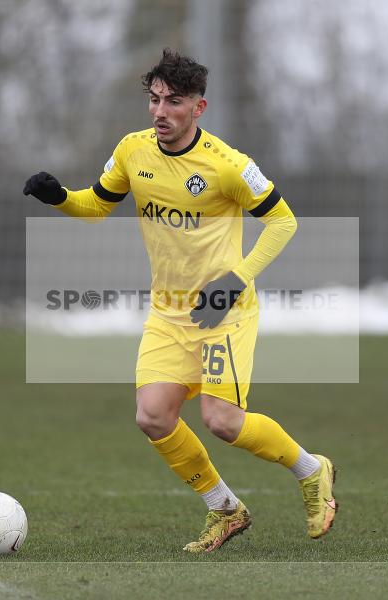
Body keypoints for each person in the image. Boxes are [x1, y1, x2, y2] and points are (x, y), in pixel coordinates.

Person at [24, 48, 337, 553]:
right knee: (152, 417)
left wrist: (234, 280)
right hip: (169, 314)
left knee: (222, 421)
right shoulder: (132, 151)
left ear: (199, 107)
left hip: (223, 313)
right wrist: (59, 196)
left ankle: (311, 469)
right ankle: (225, 509)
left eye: (174, 101)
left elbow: (284, 221)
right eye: (154, 99)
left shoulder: (229, 165)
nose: (160, 111)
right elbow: (97, 207)